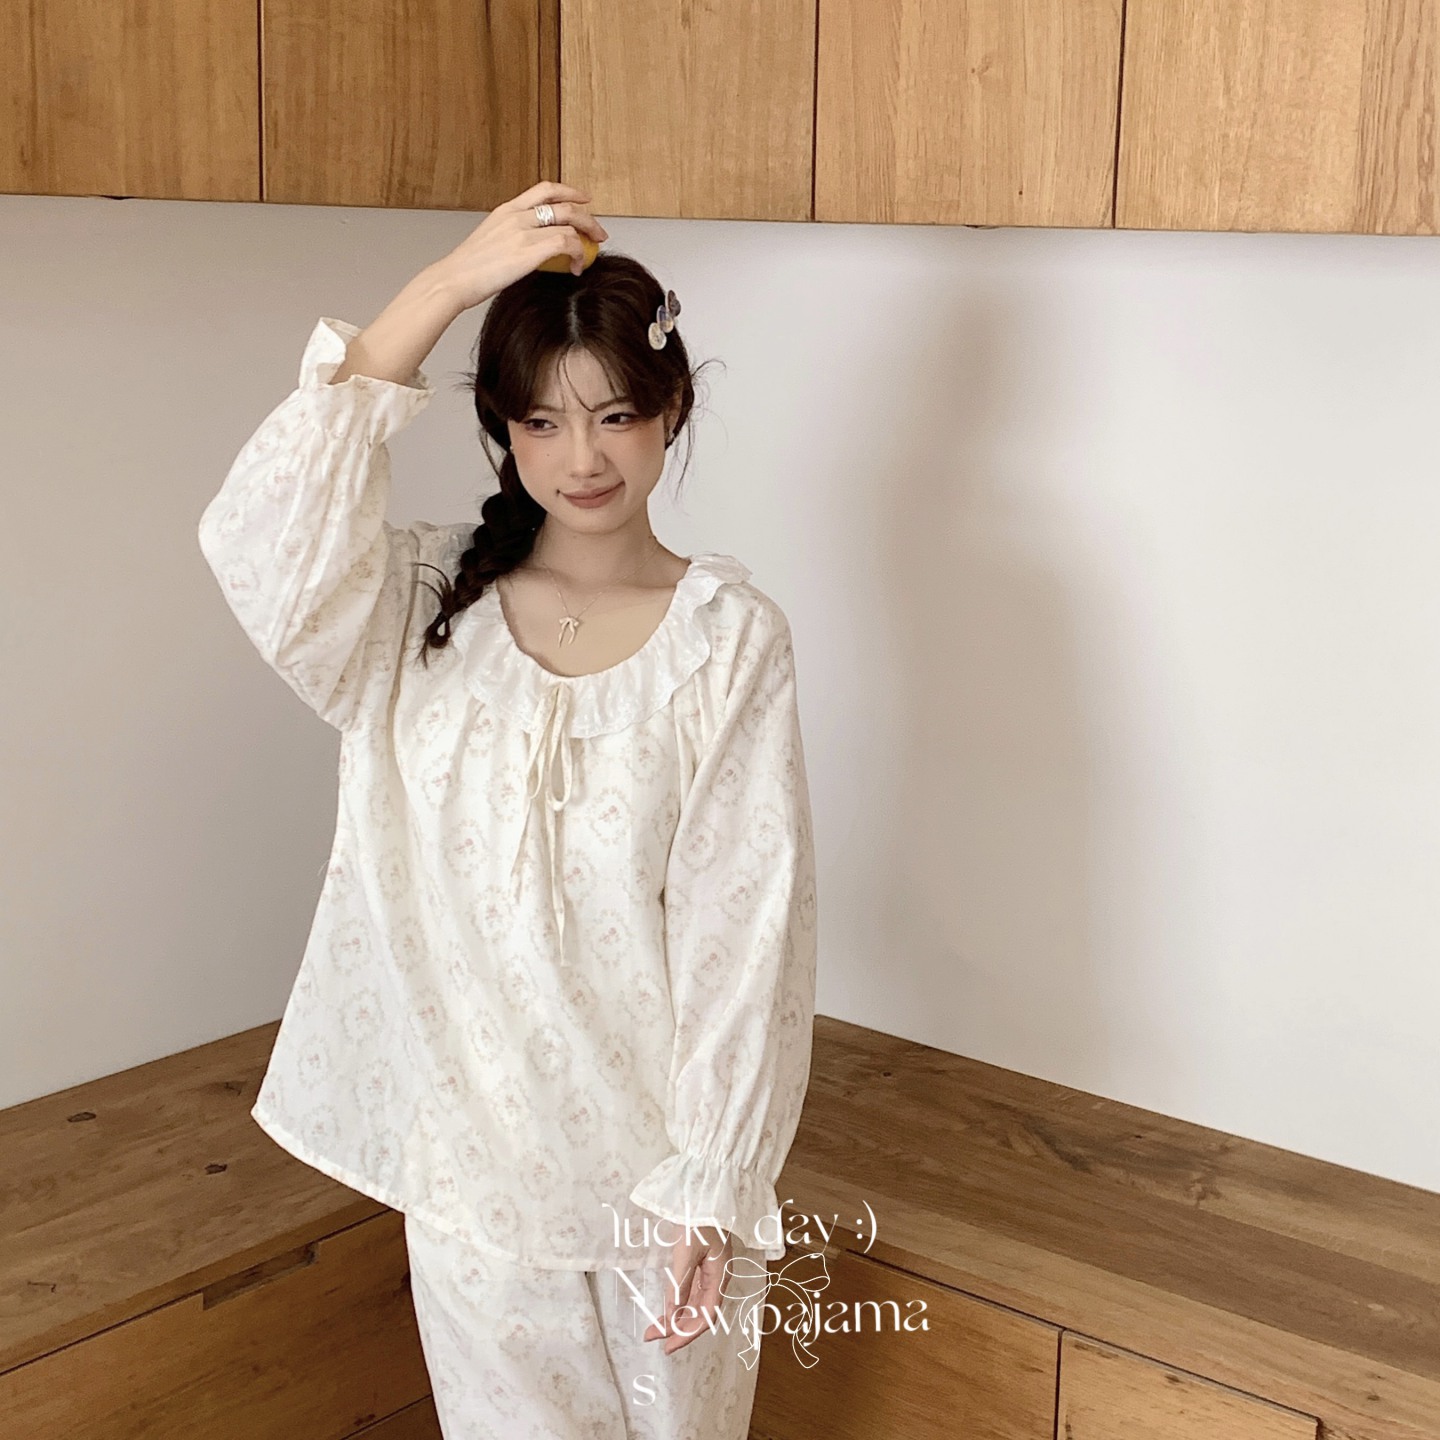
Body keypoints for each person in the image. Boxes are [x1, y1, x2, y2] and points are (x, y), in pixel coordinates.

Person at [197, 180, 819, 1439]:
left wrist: (710, 1185)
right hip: (473, 1186)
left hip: (660, 1191)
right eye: (541, 421)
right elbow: (259, 542)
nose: (582, 458)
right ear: (502, 432)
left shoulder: (726, 641)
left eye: (615, 415)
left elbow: (747, 929)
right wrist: (445, 285)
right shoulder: (415, 608)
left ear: (671, 411)